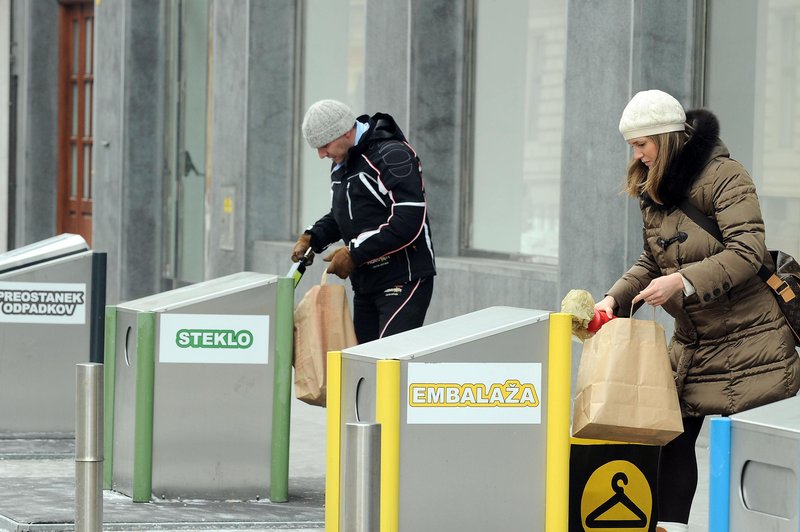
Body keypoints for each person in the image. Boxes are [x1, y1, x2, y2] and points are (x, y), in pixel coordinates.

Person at [594, 89, 800, 532]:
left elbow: (748, 250)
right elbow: (652, 261)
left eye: (642, 144)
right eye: (631, 145)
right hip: (695, 343)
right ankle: (672, 527)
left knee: (755, 454)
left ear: (666, 138)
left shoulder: (726, 176)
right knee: (672, 441)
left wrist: (683, 281)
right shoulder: (656, 189)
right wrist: (613, 299)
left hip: (752, 340)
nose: (637, 154)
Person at [291, 99, 436, 344]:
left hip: (404, 278)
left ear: (346, 132)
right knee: (362, 368)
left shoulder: (392, 154)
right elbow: (345, 216)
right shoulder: (341, 162)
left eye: (324, 145)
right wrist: (313, 237)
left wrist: (354, 253)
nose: (321, 154)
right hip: (366, 282)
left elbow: (408, 221)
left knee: (387, 363)